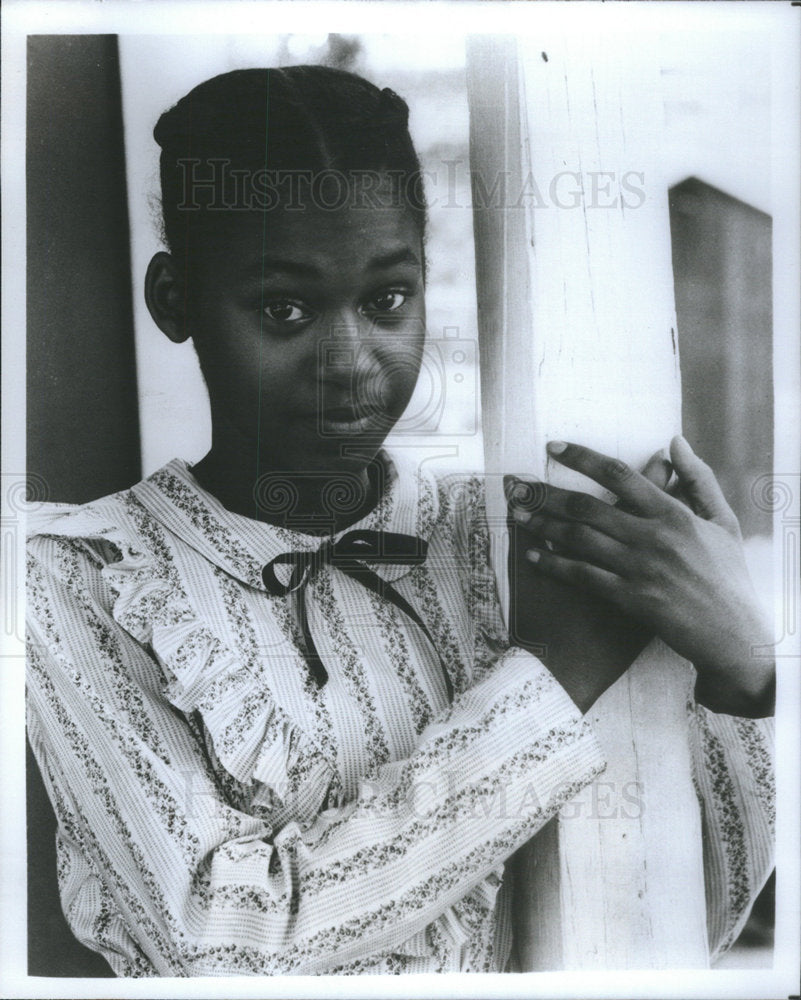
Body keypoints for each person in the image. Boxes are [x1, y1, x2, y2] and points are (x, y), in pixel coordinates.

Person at [26, 65, 775, 976]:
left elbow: (689, 915)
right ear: (174, 301)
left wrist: (742, 670)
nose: (350, 363)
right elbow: (219, 945)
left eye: (387, 299)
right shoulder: (81, 576)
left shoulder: (505, 539)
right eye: (284, 308)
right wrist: (551, 680)